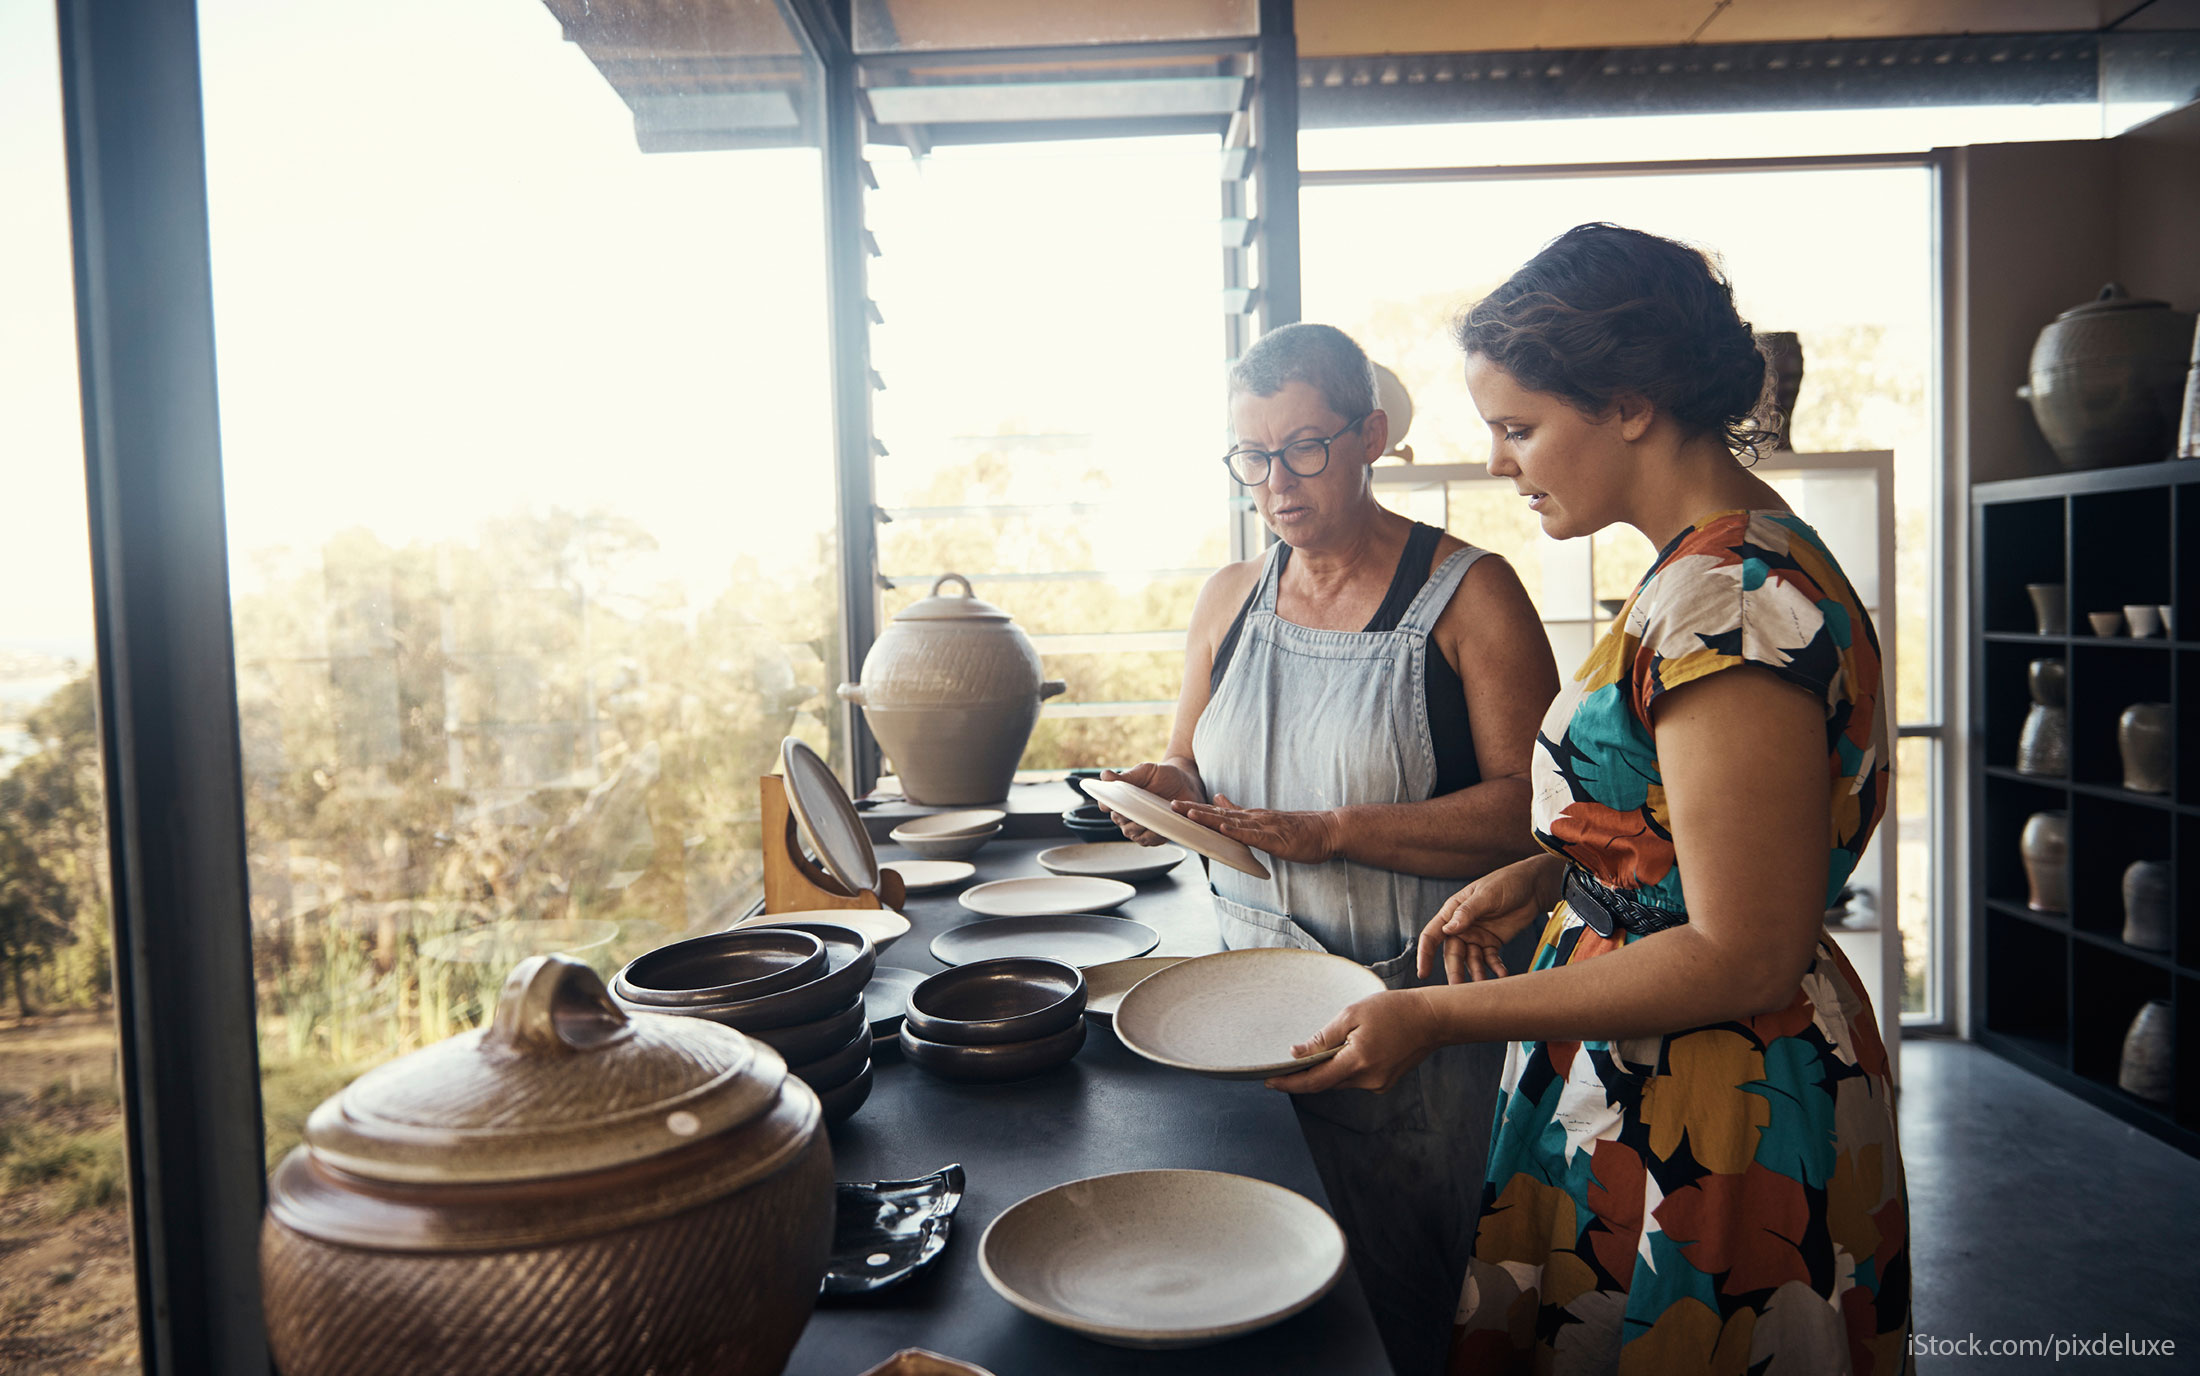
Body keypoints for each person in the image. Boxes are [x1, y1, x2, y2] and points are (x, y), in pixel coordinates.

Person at [1268, 224, 1911, 1375]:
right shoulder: (1713, 563)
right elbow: (1697, 842)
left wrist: (1423, 1017)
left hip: (1714, 1102)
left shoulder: (1732, 601)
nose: (1506, 464)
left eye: (1519, 428)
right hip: (1651, 1068)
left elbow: (1743, 952)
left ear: (1626, 402)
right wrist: (1552, 874)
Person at [1099, 322, 1560, 1376]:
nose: (1276, 481)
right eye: (1252, 455)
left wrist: (1332, 830)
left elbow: (1536, 818)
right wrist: (1162, 792)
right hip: (1246, 1005)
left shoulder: (1468, 593)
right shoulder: (1230, 595)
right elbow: (1189, 760)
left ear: (1371, 435)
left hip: (1415, 1012)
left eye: (1303, 446)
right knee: (1275, 1297)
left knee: (1415, 1293)